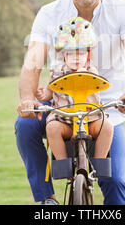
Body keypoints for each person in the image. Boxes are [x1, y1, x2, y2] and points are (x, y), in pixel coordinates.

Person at [15, 0, 125, 205]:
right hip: (60, 106)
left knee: (115, 181)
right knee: (25, 124)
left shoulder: (121, 9)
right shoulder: (49, 13)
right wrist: (27, 98)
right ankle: (47, 200)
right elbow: (33, 62)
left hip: (106, 107)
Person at [36, 17, 114, 161]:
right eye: (71, 54)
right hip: (64, 118)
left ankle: (100, 163)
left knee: (107, 127)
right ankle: (62, 164)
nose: (76, 58)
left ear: (88, 55)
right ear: (63, 56)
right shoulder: (56, 72)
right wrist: (43, 95)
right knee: (52, 128)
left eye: (81, 53)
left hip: (90, 118)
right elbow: (49, 92)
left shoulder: (91, 71)